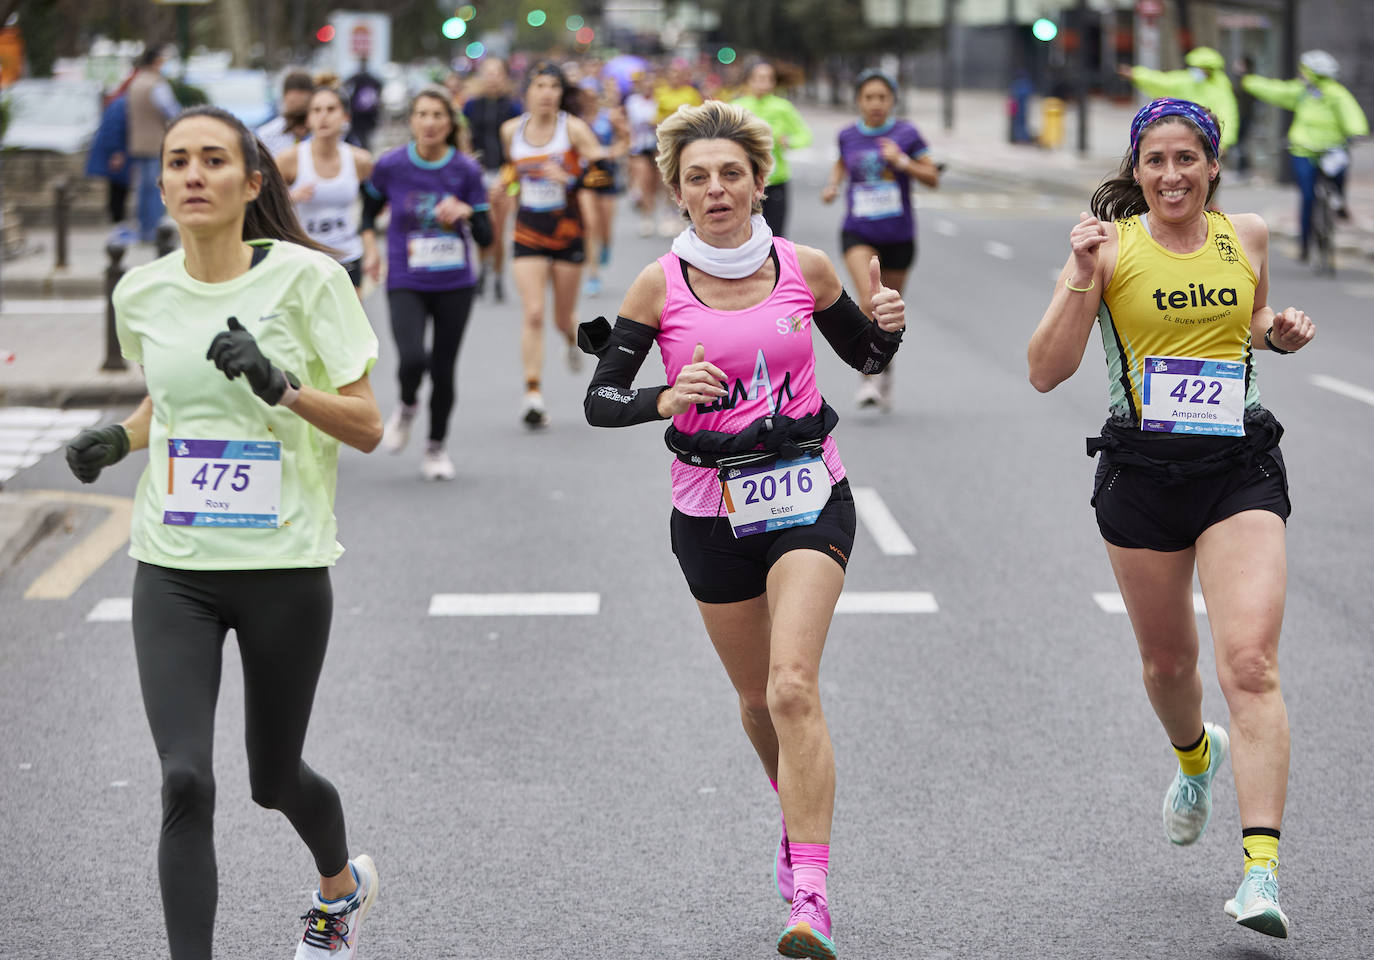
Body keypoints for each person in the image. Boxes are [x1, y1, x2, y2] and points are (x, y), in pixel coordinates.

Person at [581, 100, 906, 960]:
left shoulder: (806, 264)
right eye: (698, 177)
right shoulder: (659, 284)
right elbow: (601, 400)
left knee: (794, 685)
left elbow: (866, 358)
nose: (716, 188)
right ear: (677, 192)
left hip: (808, 494)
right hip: (709, 510)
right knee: (759, 698)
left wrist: (888, 333)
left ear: (759, 183)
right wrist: (663, 397)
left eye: (731, 173)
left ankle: (811, 894)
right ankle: (792, 808)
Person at [62, 104, 383, 960]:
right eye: (177, 161)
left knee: (272, 779)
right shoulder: (144, 291)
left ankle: (340, 885)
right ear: (161, 182)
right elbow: (169, 402)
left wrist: (280, 386)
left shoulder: (311, 282)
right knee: (183, 778)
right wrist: (120, 437)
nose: (193, 174)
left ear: (252, 184)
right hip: (174, 565)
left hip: (284, 564)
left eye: (213, 160)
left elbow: (366, 425)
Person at [1027, 98, 1315, 941]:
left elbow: (1251, 323)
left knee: (1252, 665)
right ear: (1136, 169)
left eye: (1187, 158)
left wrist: (1280, 332)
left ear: (1213, 166)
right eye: (1155, 160)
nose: (1172, 175)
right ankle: (1196, 756)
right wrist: (1082, 277)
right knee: (1166, 664)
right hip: (1143, 474)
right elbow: (1045, 371)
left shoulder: (1247, 234)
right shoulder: (1110, 248)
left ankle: (1260, 871)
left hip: (1238, 468)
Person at [360, 86, 492, 480]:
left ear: (450, 123)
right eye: (422, 114)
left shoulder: (465, 170)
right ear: (412, 120)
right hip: (406, 277)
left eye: (438, 115)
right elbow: (366, 213)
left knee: (443, 367)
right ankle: (406, 406)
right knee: (413, 357)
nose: (430, 122)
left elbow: (487, 237)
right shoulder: (391, 166)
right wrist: (370, 248)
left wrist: (467, 212)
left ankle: (435, 447)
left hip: (454, 282)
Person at [820, 68, 938, 412]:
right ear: (858, 101)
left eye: (882, 97)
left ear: (892, 101)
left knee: (887, 309)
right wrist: (832, 185)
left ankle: (885, 366)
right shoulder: (847, 135)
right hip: (859, 231)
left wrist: (902, 161)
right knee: (870, 300)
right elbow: (841, 164)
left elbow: (931, 176)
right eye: (868, 97)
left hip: (899, 235)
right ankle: (868, 377)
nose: (875, 103)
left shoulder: (907, 133)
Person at [500, 62, 604, 429]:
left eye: (553, 87)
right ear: (527, 91)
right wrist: (506, 186)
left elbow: (602, 171)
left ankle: (571, 339)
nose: (546, 93)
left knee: (562, 318)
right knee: (533, 313)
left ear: (561, 93)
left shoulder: (572, 129)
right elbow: (512, 175)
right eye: (539, 85)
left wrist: (573, 178)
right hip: (527, 230)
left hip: (566, 230)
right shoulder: (511, 130)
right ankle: (533, 394)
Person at [1243, 51, 1369, 261]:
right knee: (1308, 196)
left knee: (1339, 173)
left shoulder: (1337, 94)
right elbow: (1275, 91)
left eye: (1304, 70)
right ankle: (1304, 244)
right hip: (1303, 149)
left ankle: (1338, 202)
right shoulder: (1301, 92)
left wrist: (1356, 132)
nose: (1301, 73)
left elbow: (1351, 114)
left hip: (1332, 148)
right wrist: (1249, 81)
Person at [278, 84, 375, 290]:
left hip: (347, 255)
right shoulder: (290, 159)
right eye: (316, 110)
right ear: (308, 119)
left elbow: (374, 204)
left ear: (345, 117)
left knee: (350, 321)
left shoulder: (360, 160)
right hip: (304, 258)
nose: (323, 116)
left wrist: (371, 249)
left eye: (331, 110)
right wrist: (290, 197)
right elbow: (262, 203)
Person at [463, 57, 523, 302]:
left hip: (505, 174)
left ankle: (498, 275)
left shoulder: (513, 107)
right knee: (482, 227)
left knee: (499, 229)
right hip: (478, 173)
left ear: (504, 76)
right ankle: (483, 269)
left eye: (496, 73)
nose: (492, 78)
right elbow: (464, 138)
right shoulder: (471, 106)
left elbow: (518, 145)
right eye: (487, 73)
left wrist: (510, 175)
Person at [733, 61, 813, 236]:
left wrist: (789, 142)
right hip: (745, 181)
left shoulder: (782, 107)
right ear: (748, 80)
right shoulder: (737, 107)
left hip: (776, 179)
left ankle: (775, 264)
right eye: (759, 78)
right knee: (745, 234)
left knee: (775, 235)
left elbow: (805, 135)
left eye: (769, 78)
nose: (764, 83)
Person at [1118, 47, 1239, 155]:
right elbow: (1161, 82)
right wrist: (1136, 74)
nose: (1196, 71)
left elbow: (1227, 115)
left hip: (1208, 139)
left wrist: (1224, 143)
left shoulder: (1221, 89)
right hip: (1184, 134)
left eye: (1200, 68)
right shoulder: (1187, 81)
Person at [126, 45, 180, 243]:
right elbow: (171, 110)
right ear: (156, 62)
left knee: (143, 189)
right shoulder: (156, 84)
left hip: (138, 143)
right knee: (156, 189)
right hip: (155, 142)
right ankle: (155, 231)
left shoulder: (136, 82)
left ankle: (144, 229)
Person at [581, 73, 629, 298]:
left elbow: (626, 141)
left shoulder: (608, 117)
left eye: (592, 95)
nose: (588, 99)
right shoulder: (575, 121)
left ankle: (606, 246)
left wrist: (611, 153)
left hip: (607, 177)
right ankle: (592, 275)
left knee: (605, 228)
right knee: (590, 225)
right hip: (583, 180)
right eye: (584, 95)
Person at [625, 70, 663, 238]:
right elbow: (627, 124)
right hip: (639, 146)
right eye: (645, 84)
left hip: (657, 146)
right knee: (645, 180)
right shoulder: (632, 102)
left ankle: (657, 212)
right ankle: (646, 218)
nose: (648, 87)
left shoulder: (660, 101)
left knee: (658, 183)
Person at [86, 90, 131, 227]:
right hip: (118, 153)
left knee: (117, 187)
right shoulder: (122, 105)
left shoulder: (119, 103)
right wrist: (116, 152)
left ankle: (117, 219)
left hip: (118, 152)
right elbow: (115, 129)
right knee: (118, 187)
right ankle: (117, 220)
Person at [256, 69, 315, 157]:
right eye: (293, 95)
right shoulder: (267, 134)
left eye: (301, 94)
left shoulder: (322, 133)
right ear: (284, 96)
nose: (297, 99)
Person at [344, 60, 383, 152]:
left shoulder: (357, 78)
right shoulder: (373, 79)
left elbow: (346, 84)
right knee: (364, 136)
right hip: (369, 114)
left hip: (358, 114)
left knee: (359, 135)